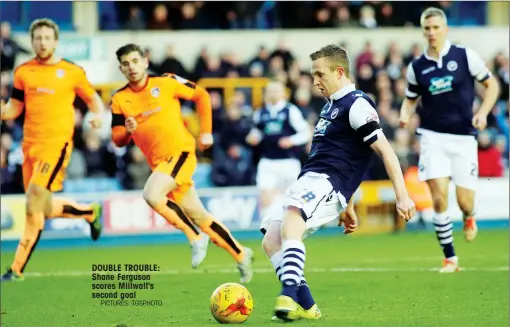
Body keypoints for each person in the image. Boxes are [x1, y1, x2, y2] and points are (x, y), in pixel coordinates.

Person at [260, 44, 415, 321]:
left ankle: (288, 293)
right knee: (271, 240)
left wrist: (402, 196)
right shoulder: (331, 106)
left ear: (339, 71)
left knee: (292, 220)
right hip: (309, 181)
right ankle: (306, 306)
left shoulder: (357, 104)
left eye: (320, 75)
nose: (315, 81)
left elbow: (386, 151)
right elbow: (352, 155)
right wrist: (349, 207)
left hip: (326, 183)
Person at [110, 43, 254, 283]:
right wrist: (126, 131)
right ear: (121, 69)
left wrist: (206, 131)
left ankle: (195, 237)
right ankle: (240, 253)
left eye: (135, 61)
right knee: (199, 215)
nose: (131, 67)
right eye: (126, 64)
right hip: (161, 165)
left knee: (152, 194)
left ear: (145, 62)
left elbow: (201, 94)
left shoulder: (166, 82)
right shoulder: (120, 99)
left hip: (181, 154)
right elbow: (117, 139)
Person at [0, 19, 105, 282]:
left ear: (56, 41)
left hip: (56, 147)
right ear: (32, 41)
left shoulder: (71, 71)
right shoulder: (23, 71)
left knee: (33, 201)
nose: (42, 42)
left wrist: (96, 115)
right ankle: (89, 212)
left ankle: (16, 268)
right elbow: (14, 108)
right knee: (42, 208)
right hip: (29, 147)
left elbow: (94, 100)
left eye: (47, 38)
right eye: (37, 38)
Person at [399, 7, 500, 273]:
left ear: (445, 29)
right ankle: (450, 258)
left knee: (465, 202)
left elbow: (493, 86)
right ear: (423, 32)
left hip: (464, 138)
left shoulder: (465, 56)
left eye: (435, 27)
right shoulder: (417, 67)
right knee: (439, 198)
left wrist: (482, 112)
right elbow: (410, 100)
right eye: (427, 29)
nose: (431, 33)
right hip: (433, 137)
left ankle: (469, 217)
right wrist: (404, 116)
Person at [246, 80, 311, 227]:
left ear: (283, 93)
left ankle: (294, 226)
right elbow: (257, 131)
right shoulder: (260, 112)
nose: (273, 93)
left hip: (288, 161)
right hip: (268, 161)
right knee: (265, 195)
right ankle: (268, 228)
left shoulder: (290, 110)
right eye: (270, 90)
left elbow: (306, 132)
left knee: (294, 197)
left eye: (276, 90)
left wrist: (291, 140)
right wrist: (253, 137)